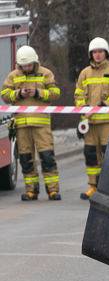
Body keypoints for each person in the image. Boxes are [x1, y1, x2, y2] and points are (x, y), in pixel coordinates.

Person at [0, 46, 61, 201]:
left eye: (29, 65)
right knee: (26, 158)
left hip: (41, 124)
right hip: (22, 124)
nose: (26, 68)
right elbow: (5, 94)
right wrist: (18, 93)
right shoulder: (14, 76)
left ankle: (53, 190)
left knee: (47, 157)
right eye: (23, 66)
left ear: (35, 62)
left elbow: (55, 93)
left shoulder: (45, 73)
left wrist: (38, 93)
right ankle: (31, 191)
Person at [75, 37, 109, 200]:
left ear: (106, 53)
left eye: (100, 52)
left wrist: (105, 104)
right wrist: (83, 109)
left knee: (108, 155)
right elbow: (78, 94)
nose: (97, 55)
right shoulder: (85, 73)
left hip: (108, 121)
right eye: (95, 52)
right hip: (90, 123)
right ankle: (93, 187)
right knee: (91, 155)